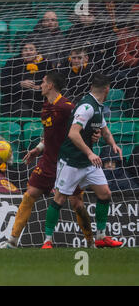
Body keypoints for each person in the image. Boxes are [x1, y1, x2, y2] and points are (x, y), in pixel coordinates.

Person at [0, 72, 95, 249]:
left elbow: (84, 122)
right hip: (48, 161)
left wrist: (94, 134)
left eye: (43, 82)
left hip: (68, 162)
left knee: (77, 203)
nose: (40, 85)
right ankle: (12, 241)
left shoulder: (66, 107)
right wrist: (38, 149)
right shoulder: (45, 106)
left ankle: (90, 242)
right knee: (29, 194)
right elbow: (48, 135)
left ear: (50, 86)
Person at [42, 73, 123, 249]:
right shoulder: (86, 107)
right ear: (107, 90)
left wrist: (114, 145)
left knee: (105, 194)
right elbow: (72, 133)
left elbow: (105, 129)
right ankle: (47, 241)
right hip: (71, 160)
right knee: (59, 199)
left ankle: (101, 237)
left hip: (87, 163)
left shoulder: (98, 106)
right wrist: (90, 153)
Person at [0, 38, 51, 118]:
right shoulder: (12, 62)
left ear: (37, 52)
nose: (28, 52)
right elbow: (2, 85)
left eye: (31, 49)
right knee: (22, 111)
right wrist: (20, 84)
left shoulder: (45, 63)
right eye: (25, 49)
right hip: (15, 101)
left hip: (39, 100)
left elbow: (53, 83)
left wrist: (41, 87)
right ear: (21, 51)